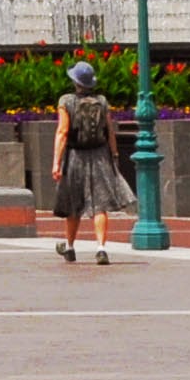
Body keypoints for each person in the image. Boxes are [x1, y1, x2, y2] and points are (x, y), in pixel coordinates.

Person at [51, 60, 134, 264]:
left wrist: (56, 162)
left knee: (73, 204)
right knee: (100, 204)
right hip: (99, 155)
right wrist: (114, 155)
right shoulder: (102, 101)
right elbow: (110, 131)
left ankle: (70, 247)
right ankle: (101, 248)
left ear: (74, 82)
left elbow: (62, 132)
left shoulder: (66, 101)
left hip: (75, 156)